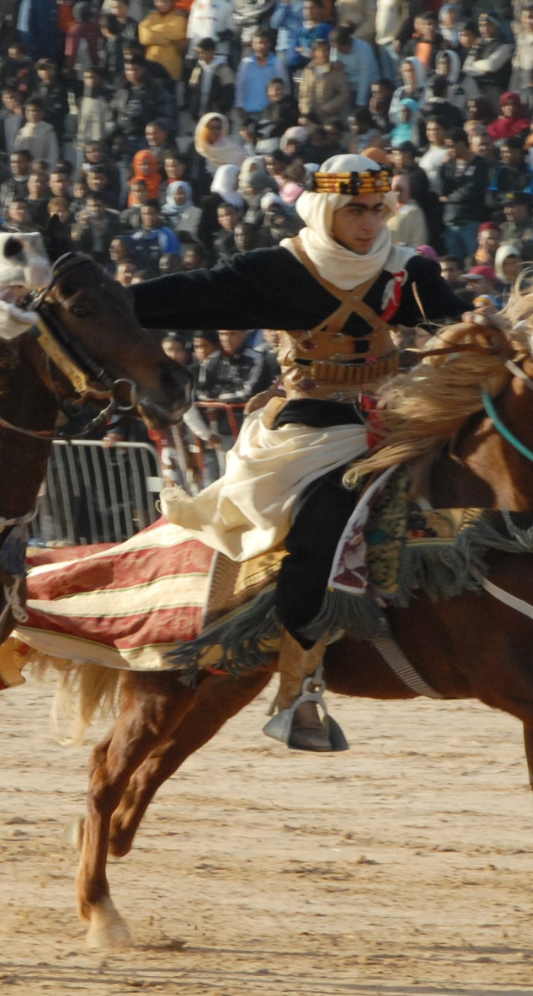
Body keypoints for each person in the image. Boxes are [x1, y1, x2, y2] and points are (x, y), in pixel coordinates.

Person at [127, 155, 467, 751]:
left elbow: (456, 322)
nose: (368, 222)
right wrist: (106, 302)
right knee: (327, 519)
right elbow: (192, 296)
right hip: (313, 427)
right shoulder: (282, 270)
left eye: (376, 209)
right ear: (325, 210)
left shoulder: (406, 269)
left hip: (396, 415)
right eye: (354, 209)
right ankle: (300, 689)